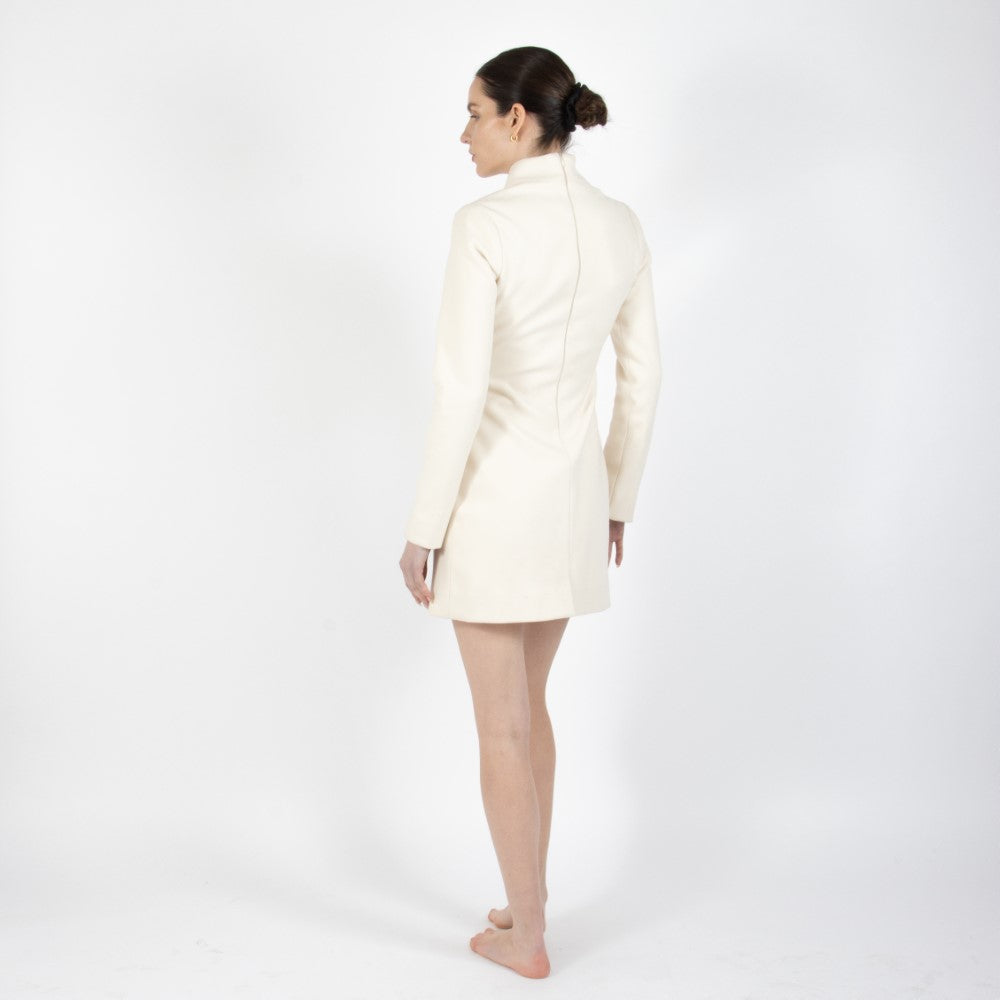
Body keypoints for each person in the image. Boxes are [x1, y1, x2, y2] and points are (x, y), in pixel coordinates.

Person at [398, 46, 661, 978]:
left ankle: (529, 938)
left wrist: (425, 526)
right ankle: (529, 902)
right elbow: (643, 380)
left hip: (492, 505)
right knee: (530, 711)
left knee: (500, 725)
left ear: (518, 119)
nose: (463, 133)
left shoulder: (485, 225)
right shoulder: (621, 224)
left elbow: (461, 389)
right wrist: (617, 499)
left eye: (474, 114)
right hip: (573, 502)